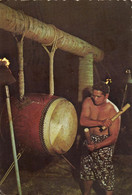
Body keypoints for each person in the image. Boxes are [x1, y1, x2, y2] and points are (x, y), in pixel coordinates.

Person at [80, 81, 121, 195]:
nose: (95, 99)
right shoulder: (88, 102)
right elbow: (83, 121)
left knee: (106, 174)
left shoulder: (113, 110)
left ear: (106, 96)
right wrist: (101, 122)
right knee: (87, 171)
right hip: (89, 140)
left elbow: (113, 138)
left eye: (98, 96)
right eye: (94, 95)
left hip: (104, 144)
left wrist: (97, 146)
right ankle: (86, 194)